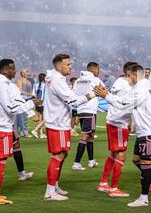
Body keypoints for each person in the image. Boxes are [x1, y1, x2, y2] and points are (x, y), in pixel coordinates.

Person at [95, 64, 151, 207]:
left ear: (134, 74)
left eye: (129, 76)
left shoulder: (140, 88)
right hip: (144, 130)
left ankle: (143, 198)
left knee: (145, 164)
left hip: (148, 130)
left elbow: (123, 104)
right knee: (136, 160)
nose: (128, 79)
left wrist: (106, 95)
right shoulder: (145, 84)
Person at [0, 59, 40, 205]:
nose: (15, 71)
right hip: (2, 128)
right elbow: (12, 108)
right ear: (5, 70)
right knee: (1, 162)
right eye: (13, 68)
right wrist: (31, 104)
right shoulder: (3, 85)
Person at [43, 54, 95, 201]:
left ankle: (55, 186)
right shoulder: (57, 81)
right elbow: (74, 100)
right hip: (58, 123)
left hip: (60, 122)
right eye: (68, 64)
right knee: (58, 155)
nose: (71, 67)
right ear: (59, 66)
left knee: (63, 154)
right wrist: (92, 94)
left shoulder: (56, 79)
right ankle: (50, 192)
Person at [98, 62, 136, 197]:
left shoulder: (119, 82)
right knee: (121, 154)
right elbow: (123, 104)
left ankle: (103, 183)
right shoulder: (126, 85)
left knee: (113, 154)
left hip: (114, 120)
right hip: (119, 122)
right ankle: (114, 188)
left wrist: (130, 122)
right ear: (129, 73)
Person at [71, 62, 104, 171]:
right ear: (94, 69)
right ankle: (76, 163)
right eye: (98, 69)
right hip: (90, 110)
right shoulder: (95, 80)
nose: (98, 72)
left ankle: (91, 161)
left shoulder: (78, 81)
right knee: (85, 136)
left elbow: (74, 94)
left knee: (90, 135)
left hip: (81, 110)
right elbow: (103, 90)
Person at [15, 69, 33, 137]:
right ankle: (23, 131)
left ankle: (22, 132)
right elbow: (20, 91)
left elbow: (31, 91)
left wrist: (31, 95)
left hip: (27, 100)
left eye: (26, 72)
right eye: (23, 72)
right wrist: (29, 94)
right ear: (21, 74)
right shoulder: (19, 81)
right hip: (21, 100)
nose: (25, 73)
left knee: (24, 116)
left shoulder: (29, 82)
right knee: (20, 116)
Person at [31, 73, 47, 139]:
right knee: (46, 119)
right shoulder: (45, 86)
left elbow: (33, 95)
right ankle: (35, 130)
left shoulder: (35, 85)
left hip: (37, 104)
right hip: (43, 103)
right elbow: (45, 96)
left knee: (40, 119)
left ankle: (41, 134)